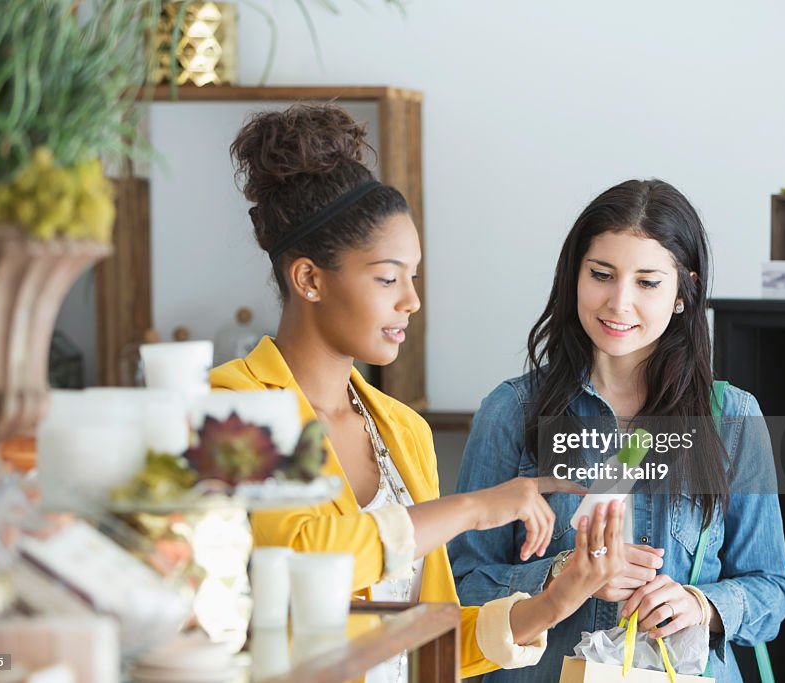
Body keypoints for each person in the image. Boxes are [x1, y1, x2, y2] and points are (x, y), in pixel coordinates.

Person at [210, 104, 634, 681]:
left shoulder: (402, 430)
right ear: (309, 279)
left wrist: (557, 601)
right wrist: (472, 508)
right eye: (388, 278)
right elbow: (301, 555)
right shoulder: (234, 403)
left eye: (413, 276)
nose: (410, 300)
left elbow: (427, 643)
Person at [448, 179, 785, 682]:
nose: (619, 302)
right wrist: (560, 575)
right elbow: (462, 584)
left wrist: (700, 603)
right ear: (575, 277)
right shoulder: (513, 410)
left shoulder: (733, 419)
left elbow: (772, 591)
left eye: (647, 282)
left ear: (683, 291)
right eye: (602, 275)